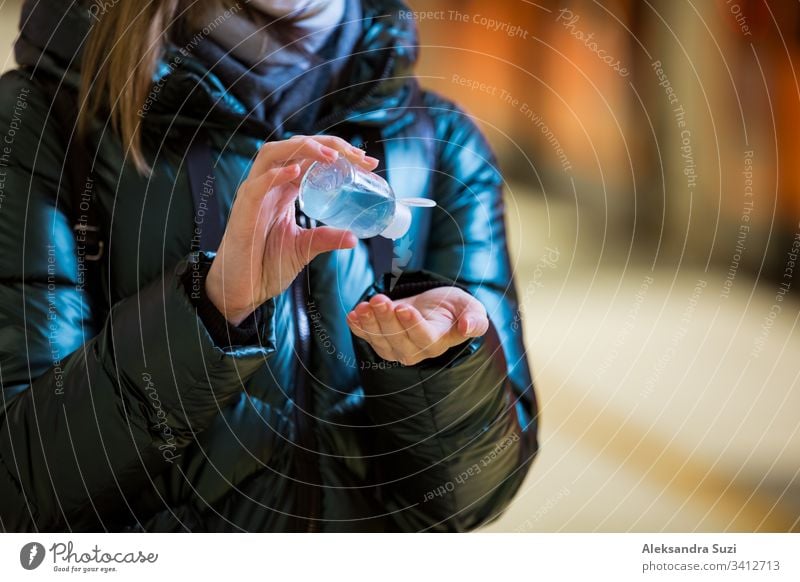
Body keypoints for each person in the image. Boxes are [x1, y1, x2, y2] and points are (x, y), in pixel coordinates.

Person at [0, 0, 538, 532]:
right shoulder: (40, 123)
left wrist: (440, 370)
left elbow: (477, 495)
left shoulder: (443, 146)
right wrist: (210, 314)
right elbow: (20, 492)